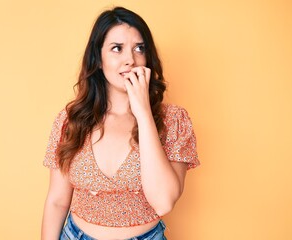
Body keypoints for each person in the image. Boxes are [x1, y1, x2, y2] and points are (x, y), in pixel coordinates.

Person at [41, 6, 200, 240]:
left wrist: (143, 113)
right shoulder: (71, 121)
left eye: (139, 48)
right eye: (117, 48)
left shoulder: (173, 120)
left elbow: (164, 202)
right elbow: (56, 201)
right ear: (99, 58)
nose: (130, 60)